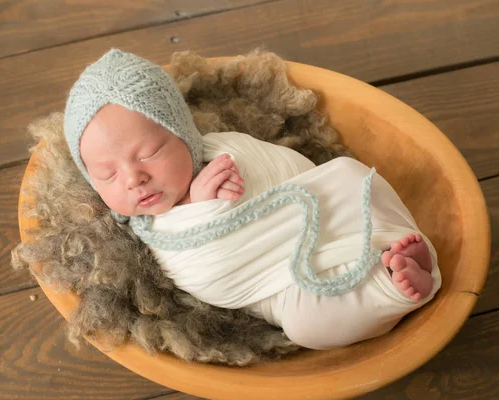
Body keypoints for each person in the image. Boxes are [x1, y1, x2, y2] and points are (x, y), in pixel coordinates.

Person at [64, 49, 441, 350]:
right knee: (306, 325)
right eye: (108, 174)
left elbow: (292, 172)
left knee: (350, 176)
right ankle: (390, 287)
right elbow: (203, 271)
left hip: (328, 215)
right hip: (277, 287)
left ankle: (394, 246)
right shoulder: (147, 232)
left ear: (185, 135)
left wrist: (224, 189)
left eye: (148, 153)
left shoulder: (224, 154)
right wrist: (201, 209)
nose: (134, 178)